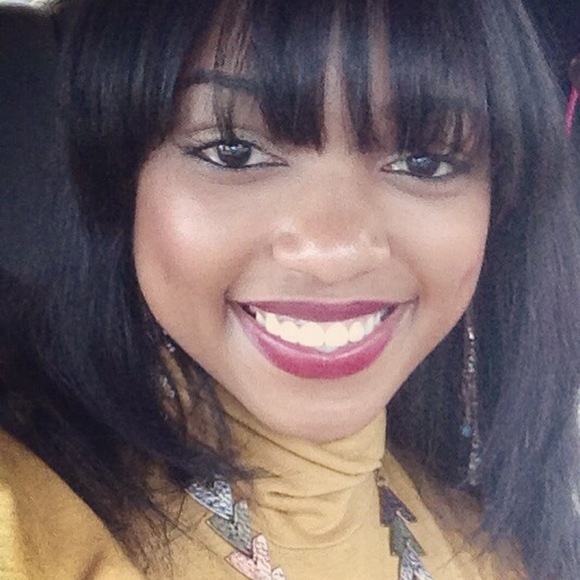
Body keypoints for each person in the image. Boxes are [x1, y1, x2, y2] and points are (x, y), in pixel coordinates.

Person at [1, 0, 579, 578]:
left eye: (425, 162)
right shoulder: (30, 520)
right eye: (234, 151)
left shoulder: (500, 546)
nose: (332, 254)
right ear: (119, 182)